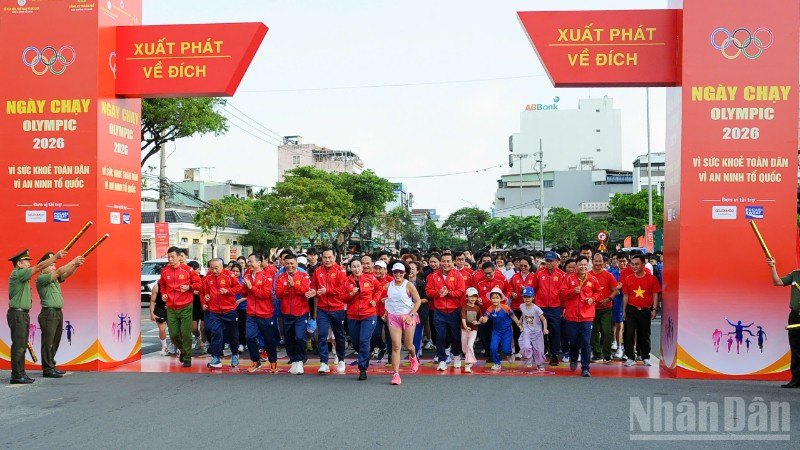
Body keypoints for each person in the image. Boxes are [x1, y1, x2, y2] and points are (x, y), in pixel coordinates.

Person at [7, 249, 67, 384]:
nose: (29, 264)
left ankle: (20, 373)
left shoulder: (22, 276)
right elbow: (39, 267)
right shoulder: (18, 274)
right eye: (26, 261)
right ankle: (17, 375)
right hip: (18, 313)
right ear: (19, 264)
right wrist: (56, 256)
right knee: (19, 346)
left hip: (22, 313)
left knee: (21, 344)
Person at [35, 252, 85, 378]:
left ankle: (51, 365)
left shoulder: (55, 279)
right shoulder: (41, 278)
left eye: (54, 265)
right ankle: (47, 369)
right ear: (43, 266)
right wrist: (73, 261)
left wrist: (76, 266)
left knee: (55, 341)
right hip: (48, 313)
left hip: (57, 312)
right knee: (48, 342)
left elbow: (65, 274)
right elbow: (59, 272)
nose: (53, 267)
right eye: (51, 265)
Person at [159, 247, 201, 368]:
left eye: (173, 257)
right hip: (171, 307)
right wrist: (164, 294)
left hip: (186, 306)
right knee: (173, 335)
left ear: (179, 257)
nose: (170, 259)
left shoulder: (188, 270)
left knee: (186, 333)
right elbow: (162, 284)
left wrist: (189, 288)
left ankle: (187, 357)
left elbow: (199, 284)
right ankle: (183, 350)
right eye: (169, 257)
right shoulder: (165, 271)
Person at [309, 248, 347, 374]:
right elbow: (313, 286)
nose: (327, 260)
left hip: (337, 308)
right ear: (322, 258)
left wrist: (327, 290)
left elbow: (342, 289)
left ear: (334, 257)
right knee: (322, 335)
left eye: (330, 257)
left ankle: (341, 359)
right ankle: (324, 362)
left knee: (339, 336)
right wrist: (313, 292)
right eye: (325, 257)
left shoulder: (340, 271)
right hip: (322, 309)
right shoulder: (317, 271)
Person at [561, 256, 600, 377]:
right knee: (573, 342)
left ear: (588, 265)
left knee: (586, 343)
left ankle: (585, 368)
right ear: (576, 266)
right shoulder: (568, 279)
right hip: (572, 316)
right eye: (580, 264)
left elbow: (598, 292)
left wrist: (592, 299)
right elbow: (561, 294)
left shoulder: (592, 279)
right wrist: (573, 291)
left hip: (587, 317)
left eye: (585, 264)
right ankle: (573, 358)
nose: (583, 267)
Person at [383, 262, 422, 385]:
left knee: (409, 345)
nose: (398, 274)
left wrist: (411, 315)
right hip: (393, 318)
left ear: (404, 273)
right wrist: (384, 309)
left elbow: (418, 301)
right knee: (396, 346)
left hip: (407, 317)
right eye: (395, 272)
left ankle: (414, 357)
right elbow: (386, 299)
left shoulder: (409, 285)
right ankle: (396, 374)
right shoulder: (388, 285)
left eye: (400, 272)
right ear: (392, 273)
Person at [426, 252, 465, 371]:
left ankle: (457, 357)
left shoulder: (458, 275)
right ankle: (442, 360)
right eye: (443, 261)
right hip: (439, 311)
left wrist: (449, 293)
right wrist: (439, 292)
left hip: (454, 311)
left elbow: (461, 292)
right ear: (440, 262)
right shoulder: (433, 276)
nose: (446, 264)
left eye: (448, 261)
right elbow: (428, 291)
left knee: (455, 336)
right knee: (440, 337)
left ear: (453, 262)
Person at [201, 259, 242, 369]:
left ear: (222, 266)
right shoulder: (208, 277)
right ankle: (216, 357)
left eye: (216, 268)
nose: (214, 271)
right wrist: (206, 298)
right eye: (212, 268)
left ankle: (234, 354)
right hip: (215, 311)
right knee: (215, 333)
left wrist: (227, 291)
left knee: (232, 334)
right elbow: (204, 292)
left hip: (229, 310)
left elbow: (238, 287)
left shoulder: (229, 275)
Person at [344, 258, 381, 380]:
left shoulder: (370, 278)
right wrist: (351, 294)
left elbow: (379, 289)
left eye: (358, 266)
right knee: (356, 343)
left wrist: (374, 301)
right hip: (352, 316)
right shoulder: (346, 281)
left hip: (368, 314)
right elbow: (342, 298)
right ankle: (366, 353)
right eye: (353, 266)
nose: (356, 269)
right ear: (350, 268)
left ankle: (362, 369)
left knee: (364, 341)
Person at [622, 254, 661, 368]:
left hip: (645, 310)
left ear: (643, 264)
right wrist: (624, 311)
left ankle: (645, 356)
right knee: (629, 333)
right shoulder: (628, 279)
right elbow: (626, 296)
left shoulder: (651, 279)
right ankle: (630, 357)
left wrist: (654, 309)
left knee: (644, 334)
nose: (634, 267)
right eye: (632, 264)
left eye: (637, 264)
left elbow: (655, 294)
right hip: (631, 309)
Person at [275, 253, 311, 374]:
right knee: (289, 338)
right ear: (283, 263)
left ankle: (300, 360)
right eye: (287, 263)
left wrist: (294, 285)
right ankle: (294, 360)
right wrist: (288, 287)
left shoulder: (303, 276)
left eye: (292, 263)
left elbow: (306, 291)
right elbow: (278, 294)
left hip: (301, 313)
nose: (289, 265)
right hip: (286, 313)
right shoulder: (280, 277)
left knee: (300, 337)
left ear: (296, 264)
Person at [242, 253, 278, 373]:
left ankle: (273, 362)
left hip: (265, 313)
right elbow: (243, 293)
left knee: (268, 339)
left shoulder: (267, 276)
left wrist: (251, 287)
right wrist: (245, 286)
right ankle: (255, 361)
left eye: (251, 261)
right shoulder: (247, 275)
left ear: (259, 263)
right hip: (251, 313)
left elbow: (266, 294)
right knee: (249, 337)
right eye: (248, 261)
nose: (249, 264)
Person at [767, 257, 800, 387]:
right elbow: (778, 282)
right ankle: (796, 380)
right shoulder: (795, 274)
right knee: (796, 348)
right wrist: (773, 267)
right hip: (795, 317)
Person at [531, 251, 565, 366]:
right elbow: (534, 288)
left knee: (555, 332)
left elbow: (563, 292)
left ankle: (554, 355)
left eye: (551, 261)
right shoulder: (539, 273)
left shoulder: (561, 274)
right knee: (540, 331)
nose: (549, 263)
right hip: (541, 307)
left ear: (556, 261)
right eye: (547, 261)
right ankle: (541, 353)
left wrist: (563, 307)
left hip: (555, 307)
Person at [479, 287, 522, 370]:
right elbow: (485, 319)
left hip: (507, 332)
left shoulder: (506, 308)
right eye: (493, 298)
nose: (495, 300)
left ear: (500, 299)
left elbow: (513, 316)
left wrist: (518, 324)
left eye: (497, 298)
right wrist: (482, 319)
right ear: (491, 299)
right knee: (493, 348)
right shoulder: (490, 309)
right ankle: (497, 363)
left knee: (506, 349)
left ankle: (510, 353)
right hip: (496, 332)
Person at [589, 253, 619, 364]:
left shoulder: (608, 275)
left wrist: (609, 299)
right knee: (594, 332)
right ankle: (597, 353)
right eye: (596, 261)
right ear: (592, 261)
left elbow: (616, 290)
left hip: (606, 308)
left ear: (604, 262)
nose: (598, 263)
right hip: (592, 309)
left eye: (600, 261)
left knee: (607, 332)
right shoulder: (588, 275)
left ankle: (607, 355)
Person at [518, 287, 548, 371]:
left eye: (529, 297)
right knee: (525, 346)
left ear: (533, 298)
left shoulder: (536, 309)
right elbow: (523, 314)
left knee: (538, 349)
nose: (527, 299)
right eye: (525, 297)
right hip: (527, 331)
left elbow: (544, 319)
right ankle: (529, 358)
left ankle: (539, 364)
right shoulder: (522, 306)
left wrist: (545, 329)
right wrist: (520, 322)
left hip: (537, 332)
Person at [370, 260, 392, 362]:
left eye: (380, 269)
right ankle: (382, 347)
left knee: (390, 335)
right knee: (374, 333)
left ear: (385, 270)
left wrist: (388, 300)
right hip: (375, 312)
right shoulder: (370, 279)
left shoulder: (391, 281)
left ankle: (391, 354)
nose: (377, 271)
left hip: (389, 312)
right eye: (376, 268)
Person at [608, 253, 627, 359]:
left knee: (627, 327)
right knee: (616, 324)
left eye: (624, 261)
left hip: (628, 303)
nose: (622, 263)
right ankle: (617, 345)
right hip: (616, 302)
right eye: (620, 261)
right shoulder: (612, 274)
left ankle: (628, 349)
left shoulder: (630, 274)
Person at [408, 261, 429, 355]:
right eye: (409, 268)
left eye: (413, 268)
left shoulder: (421, 284)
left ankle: (416, 354)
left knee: (416, 335)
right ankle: (412, 352)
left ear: (417, 271)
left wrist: (417, 301)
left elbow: (427, 298)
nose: (411, 270)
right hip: (405, 313)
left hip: (419, 313)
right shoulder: (402, 283)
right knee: (408, 337)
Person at [460, 287, 482, 373]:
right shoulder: (464, 307)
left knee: (470, 345)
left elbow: (480, 319)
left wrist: (477, 322)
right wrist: (465, 326)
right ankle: (470, 359)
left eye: (475, 296)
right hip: (465, 330)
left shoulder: (478, 308)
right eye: (471, 296)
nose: (473, 298)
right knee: (464, 348)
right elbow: (463, 318)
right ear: (467, 297)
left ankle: (468, 364)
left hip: (473, 330)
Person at [150, 283, 171, 355]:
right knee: (162, 329)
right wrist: (152, 313)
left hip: (172, 309)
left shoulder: (174, 285)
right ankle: (164, 346)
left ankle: (176, 345)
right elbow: (152, 301)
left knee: (174, 330)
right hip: (160, 309)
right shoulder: (156, 287)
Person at [231, 263, 248, 353]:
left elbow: (249, 295)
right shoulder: (228, 281)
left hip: (242, 306)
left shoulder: (243, 281)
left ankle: (242, 343)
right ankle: (234, 343)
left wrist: (240, 300)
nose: (235, 273)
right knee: (233, 326)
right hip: (231, 306)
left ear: (240, 272)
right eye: (233, 271)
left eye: (237, 271)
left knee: (242, 325)